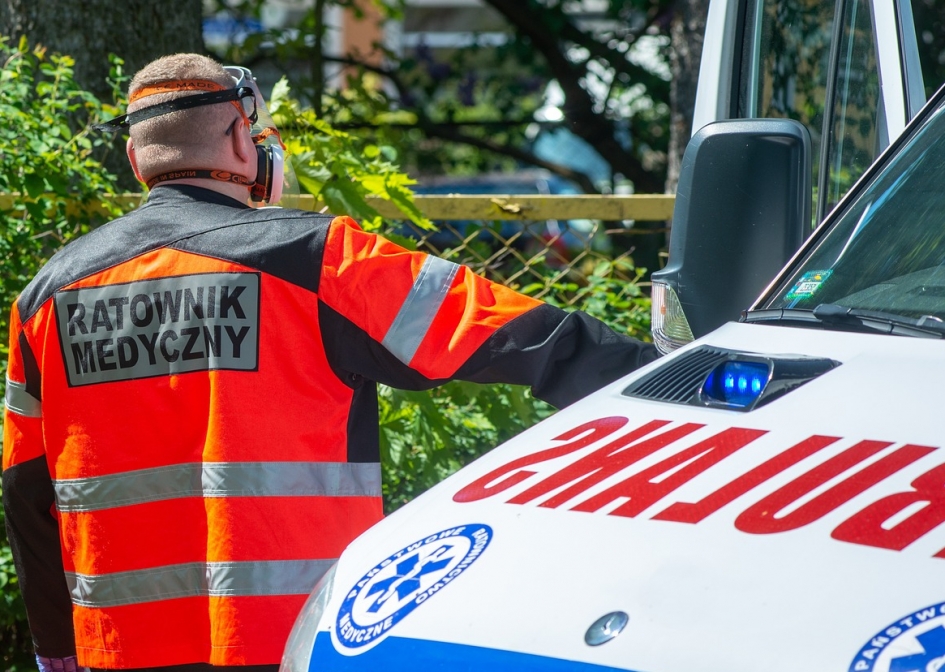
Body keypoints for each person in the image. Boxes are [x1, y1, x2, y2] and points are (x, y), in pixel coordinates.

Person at [1, 53, 658, 672]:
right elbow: (529, 338)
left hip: (121, 648)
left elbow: (26, 493)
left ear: (134, 158)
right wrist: (693, 382)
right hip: (297, 637)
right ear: (240, 140)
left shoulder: (45, 298)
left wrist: (57, 651)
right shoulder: (318, 259)